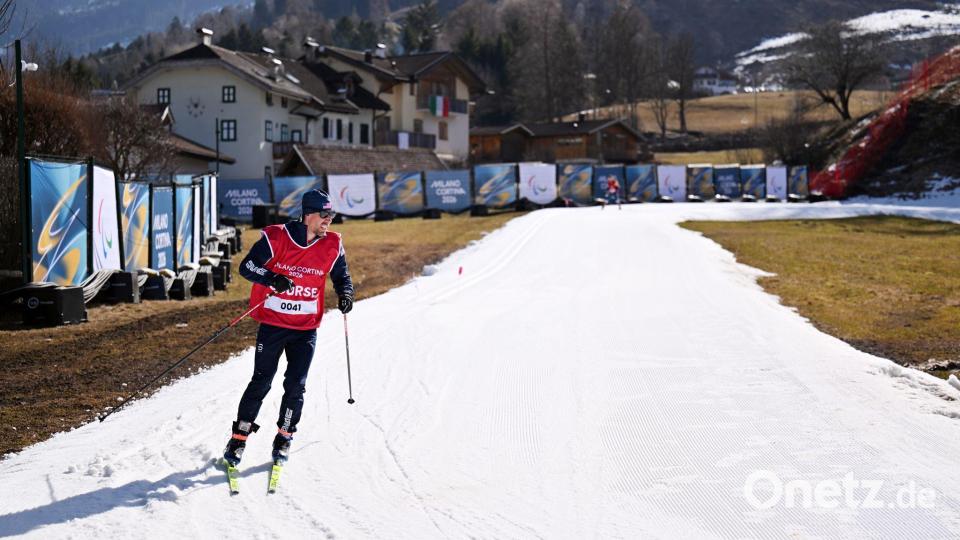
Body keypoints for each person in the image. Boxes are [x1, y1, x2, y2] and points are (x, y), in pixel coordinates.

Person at [223, 189, 354, 466]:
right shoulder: (277, 237)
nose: (329, 221)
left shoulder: (332, 244)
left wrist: (346, 294)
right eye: (324, 215)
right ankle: (239, 438)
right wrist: (274, 279)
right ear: (308, 215)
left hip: (305, 329)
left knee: (296, 386)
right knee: (261, 381)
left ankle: (284, 438)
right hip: (273, 325)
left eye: (332, 215)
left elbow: (342, 276)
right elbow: (247, 267)